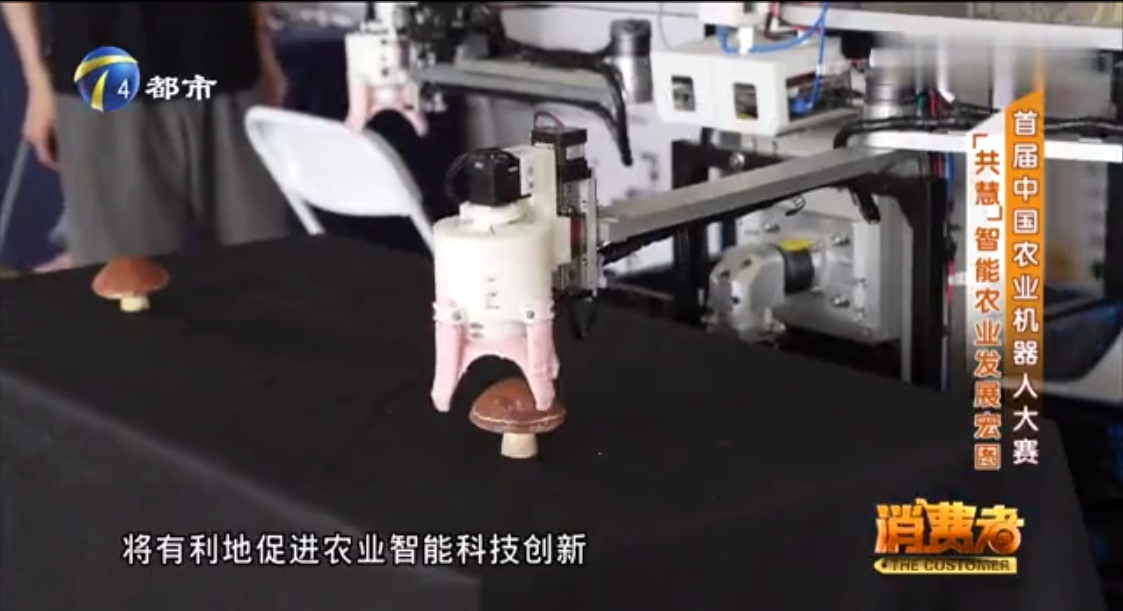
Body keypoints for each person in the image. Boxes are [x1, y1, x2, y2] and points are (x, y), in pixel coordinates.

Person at [2, 2, 291, 267]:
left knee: (258, 265)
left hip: (227, 66)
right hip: (105, 76)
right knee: (122, 278)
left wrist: (262, 47)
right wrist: (37, 81)